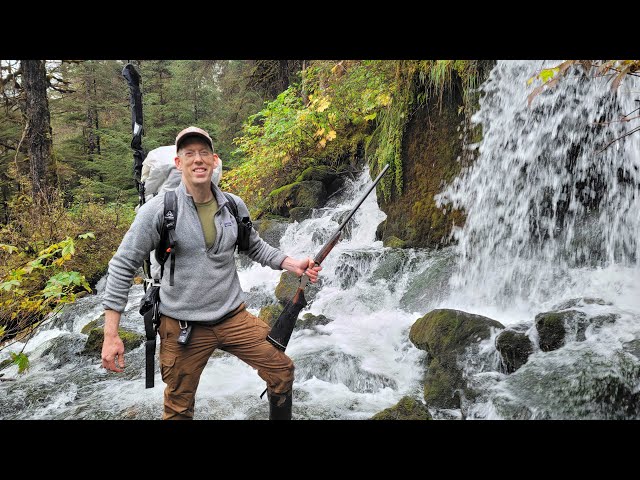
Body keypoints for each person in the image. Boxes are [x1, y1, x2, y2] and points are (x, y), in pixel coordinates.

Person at [101, 126, 321, 420]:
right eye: (189, 153)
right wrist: (111, 334)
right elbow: (122, 265)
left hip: (233, 317)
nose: (198, 159)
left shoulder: (232, 205)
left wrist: (292, 264)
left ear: (214, 160)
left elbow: (253, 246)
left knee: (282, 371)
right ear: (179, 163)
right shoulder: (159, 211)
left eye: (204, 152)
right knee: (179, 408)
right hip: (182, 326)